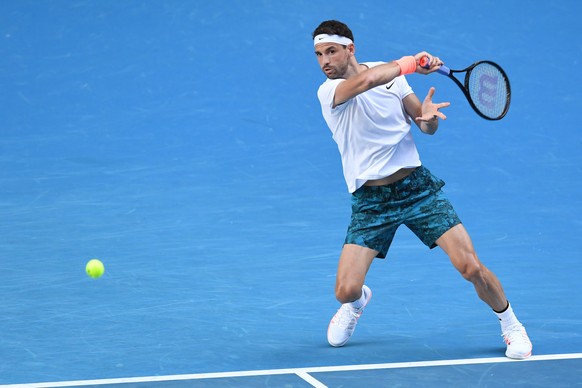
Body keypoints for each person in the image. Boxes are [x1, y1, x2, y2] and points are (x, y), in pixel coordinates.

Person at [312, 20, 532, 359]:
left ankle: (511, 323)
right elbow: (369, 79)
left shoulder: (393, 78)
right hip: (371, 202)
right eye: (318, 54)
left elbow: (424, 124)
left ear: (349, 49)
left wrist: (426, 118)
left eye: (331, 51)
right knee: (345, 290)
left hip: (417, 189)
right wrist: (413, 62)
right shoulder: (329, 92)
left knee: (470, 267)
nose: (324, 61)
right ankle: (356, 304)